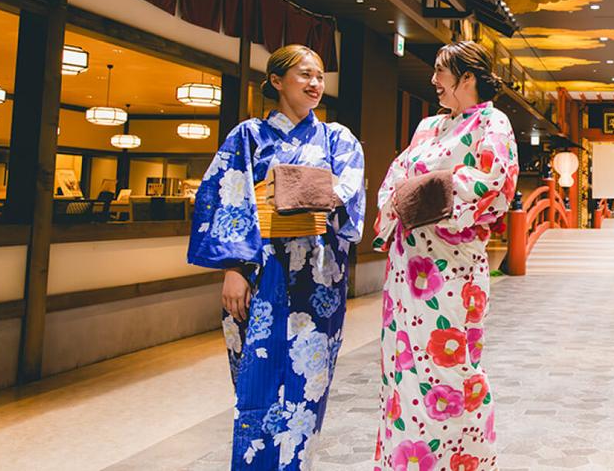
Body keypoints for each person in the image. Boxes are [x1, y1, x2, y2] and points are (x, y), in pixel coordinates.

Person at [188, 44, 365, 470]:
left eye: (320, 76)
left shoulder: (337, 138)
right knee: (256, 379)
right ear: (276, 81)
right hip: (259, 269)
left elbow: (347, 193)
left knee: (309, 385)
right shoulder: (247, 136)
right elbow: (228, 199)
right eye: (304, 74)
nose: (315, 84)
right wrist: (234, 268)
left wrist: (294, 193)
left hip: (318, 276)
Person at [372, 41, 519, 470]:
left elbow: (492, 184)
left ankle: (459, 459)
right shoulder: (427, 128)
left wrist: (423, 192)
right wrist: (421, 192)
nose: (434, 81)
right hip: (406, 266)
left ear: (467, 77)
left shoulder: (493, 122)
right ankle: (408, 459)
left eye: (441, 72)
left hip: (452, 267)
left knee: (450, 364)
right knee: (404, 366)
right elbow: (394, 181)